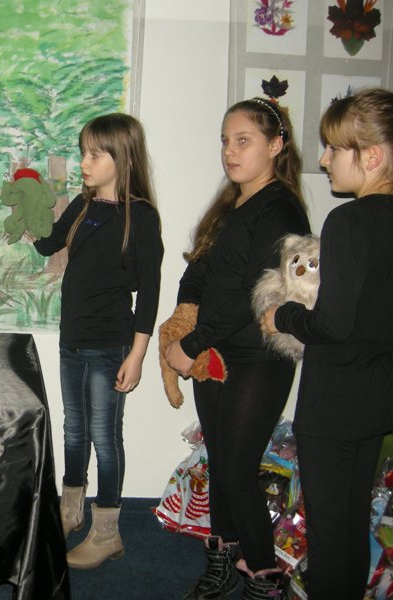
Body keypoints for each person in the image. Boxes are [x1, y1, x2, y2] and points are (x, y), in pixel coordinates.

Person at [164, 95, 310, 599]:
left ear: (276, 146)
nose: (230, 151)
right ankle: (223, 560)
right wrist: (184, 314)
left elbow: (251, 294)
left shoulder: (279, 207)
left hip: (257, 358)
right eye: (226, 141)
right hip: (218, 354)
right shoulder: (230, 206)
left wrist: (192, 342)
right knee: (221, 463)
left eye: (243, 140)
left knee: (236, 468)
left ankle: (265, 578)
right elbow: (199, 271)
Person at [261, 88, 393, 600]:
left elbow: (333, 324)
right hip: (377, 397)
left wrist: (282, 315)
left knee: (330, 533)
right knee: (352, 524)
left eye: (335, 149)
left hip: (335, 404)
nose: (324, 159)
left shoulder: (350, 220)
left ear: (372, 157)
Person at [34, 113, 163, 570]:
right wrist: (29, 211)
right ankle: (71, 511)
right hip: (72, 340)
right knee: (74, 429)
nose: (84, 162)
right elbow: (49, 244)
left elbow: (150, 291)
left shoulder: (140, 216)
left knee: (105, 437)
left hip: (111, 346)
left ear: (122, 158)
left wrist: (138, 355)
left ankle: (107, 532)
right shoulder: (83, 205)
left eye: (94, 154)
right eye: (83, 152)